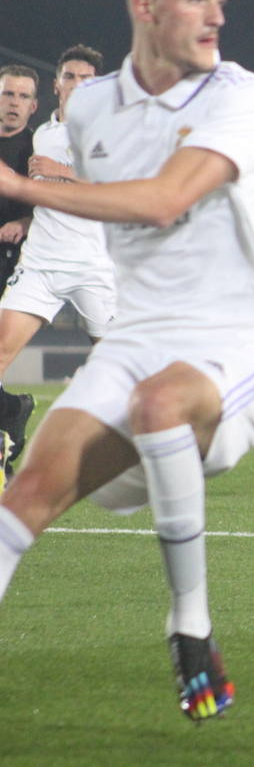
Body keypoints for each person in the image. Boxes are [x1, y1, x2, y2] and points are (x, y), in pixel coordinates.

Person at [0, 0, 254, 722]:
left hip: (240, 335)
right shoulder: (94, 106)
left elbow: (164, 200)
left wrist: (18, 188)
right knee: (22, 498)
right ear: (145, 6)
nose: (218, 14)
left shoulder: (245, 96)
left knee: (159, 404)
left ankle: (190, 627)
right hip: (137, 332)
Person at [0, 46, 115, 489]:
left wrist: (60, 171)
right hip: (43, 265)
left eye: (87, 78)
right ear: (57, 85)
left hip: (93, 267)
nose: (77, 85)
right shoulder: (43, 134)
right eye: (70, 77)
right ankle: (5, 438)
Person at [0, 65, 39, 294]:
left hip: (13, 259)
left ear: (33, 106)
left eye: (23, 96)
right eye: (8, 94)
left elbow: (54, 205)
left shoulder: (40, 149)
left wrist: (26, 222)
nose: (15, 102)